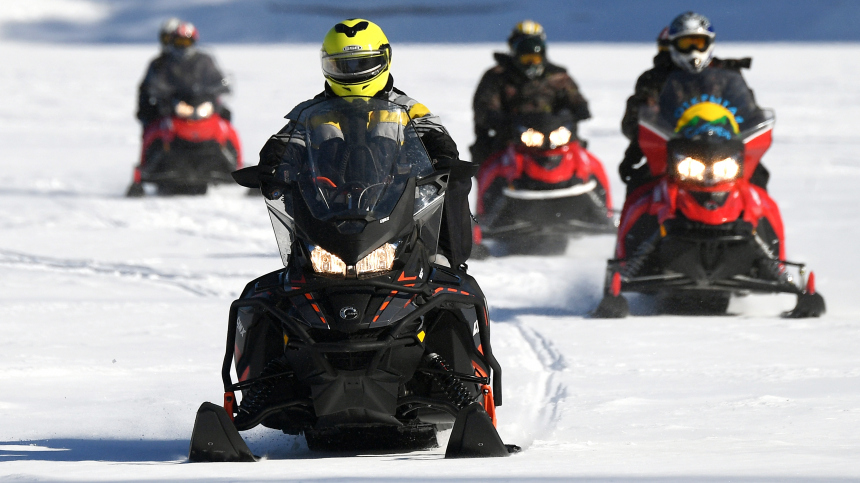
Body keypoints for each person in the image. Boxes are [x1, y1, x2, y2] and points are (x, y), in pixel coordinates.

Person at [257, 18, 474, 268]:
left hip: (393, 204)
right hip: (326, 211)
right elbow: (285, 142)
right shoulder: (309, 114)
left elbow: (436, 136)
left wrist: (441, 158)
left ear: (384, 58)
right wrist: (273, 165)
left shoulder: (408, 109)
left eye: (361, 63)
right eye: (342, 65)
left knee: (454, 180)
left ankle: (445, 256)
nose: (352, 72)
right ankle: (300, 261)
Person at [618, 12, 764, 197]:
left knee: (758, 179)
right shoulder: (654, 79)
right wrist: (641, 141)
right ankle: (634, 226)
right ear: (673, 45)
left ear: (710, 43)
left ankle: (761, 224)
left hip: (724, 150)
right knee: (640, 186)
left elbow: (749, 113)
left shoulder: (728, 77)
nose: (693, 50)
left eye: (699, 42)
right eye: (686, 44)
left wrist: (754, 126)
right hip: (673, 152)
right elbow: (636, 121)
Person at [470, 20, 591, 165]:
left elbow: (576, 98)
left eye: (535, 56)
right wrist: (498, 120)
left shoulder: (557, 76)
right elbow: (484, 105)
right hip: (513, 137)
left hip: (555, 135)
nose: (531, 62)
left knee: (582, 156)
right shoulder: (497, 76)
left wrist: (579, 109)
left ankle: (589, 183)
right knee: (488, 156)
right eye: (526, 56)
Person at [135, 19, 231, 127]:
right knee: (154, 124)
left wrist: (220, 86)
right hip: (172, 107)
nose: (183, 46)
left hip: (199, 102)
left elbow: (217, 78)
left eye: (186, 42)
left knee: (225, 117)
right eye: (179, 42)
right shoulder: (162, 63)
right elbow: (150, 87)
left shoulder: (203, 60)